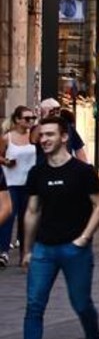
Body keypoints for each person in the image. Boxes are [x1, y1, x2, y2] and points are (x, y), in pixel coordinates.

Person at [6, 116, 99, 339]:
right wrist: (26, 250)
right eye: (42, 135)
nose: (45, 139)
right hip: (44, 248)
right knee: (34, 305)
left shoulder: (83, 172)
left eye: (50, 134)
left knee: (81, 304)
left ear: (65, 137)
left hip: (74, 249)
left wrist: (84, 238)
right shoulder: (37, 173)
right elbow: (31, 211)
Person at [1, 105, 38, 266]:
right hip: (10, 183)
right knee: (8, 216)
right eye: (27, 118)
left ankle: (26, 252)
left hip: (29, 183)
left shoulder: (34, 135)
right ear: (17, 120)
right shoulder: (6, 137)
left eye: (33, 118)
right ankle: (3, 251)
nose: (30, 121)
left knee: (27, 218)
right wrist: (6, 161)